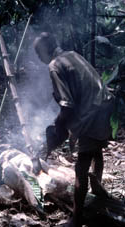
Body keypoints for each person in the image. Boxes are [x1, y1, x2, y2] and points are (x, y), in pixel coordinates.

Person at [34, 32, 115, 227]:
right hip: (105, 104)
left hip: (91, 112)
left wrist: (58, 126)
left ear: (46, 50)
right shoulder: (72, 54)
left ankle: (77, 219)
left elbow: (67, 105)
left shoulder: (54, 66)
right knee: (96, 151)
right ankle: (97, 192)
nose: (38, 57)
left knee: (81, 166)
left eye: (38, 52)